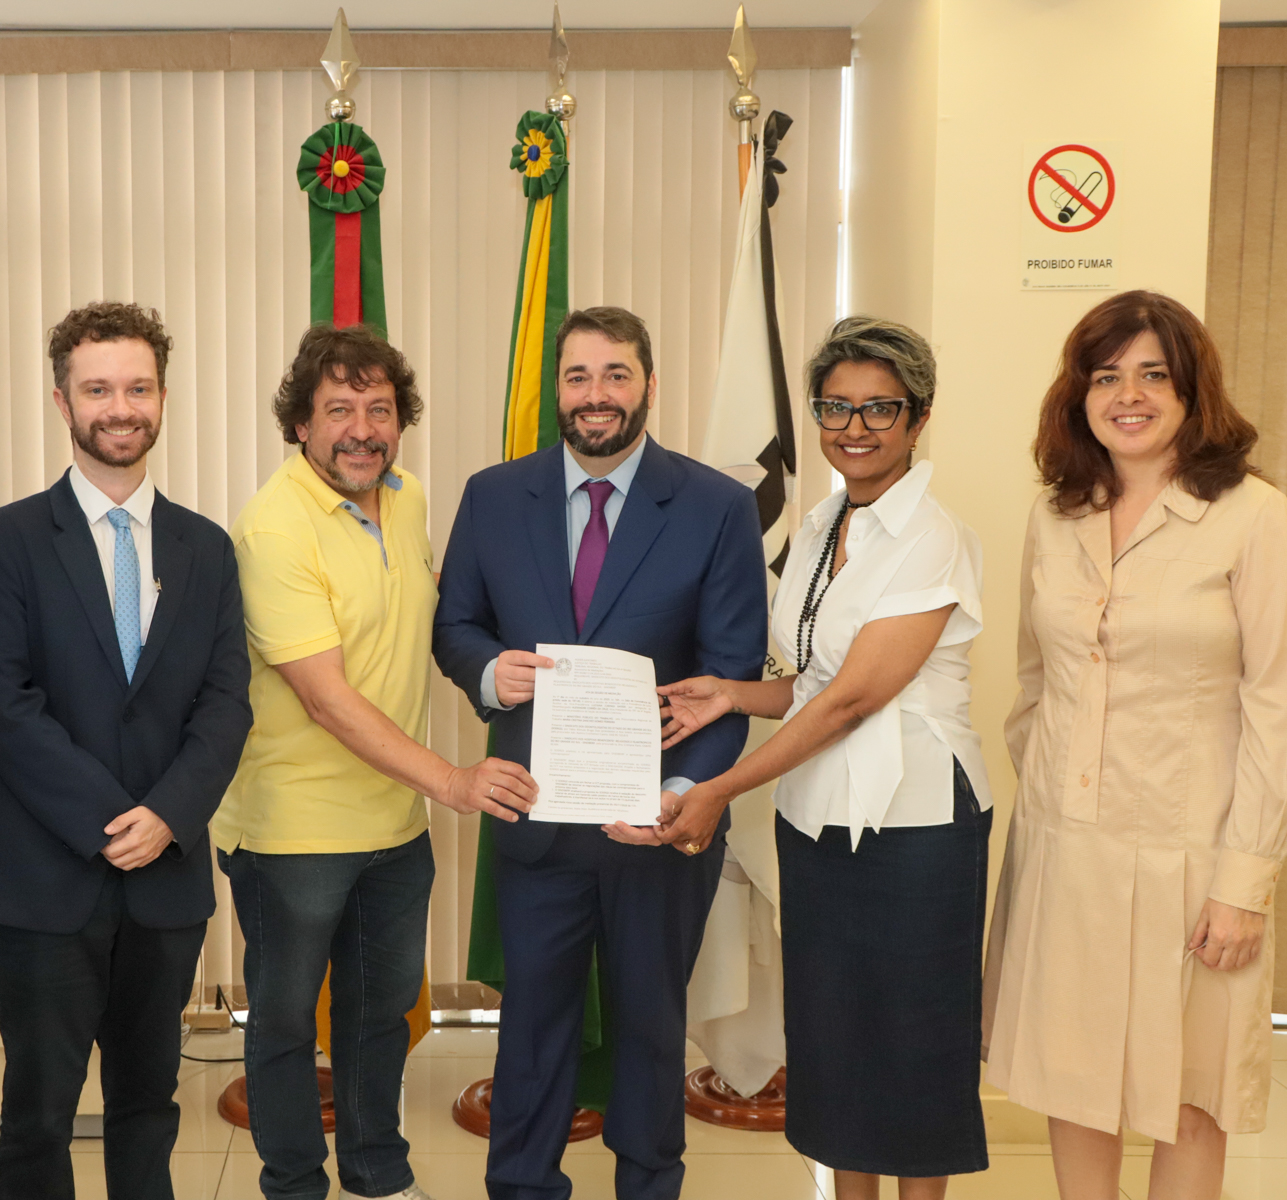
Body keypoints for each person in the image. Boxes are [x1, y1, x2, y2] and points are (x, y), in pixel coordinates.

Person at [983, 290, 1287, 1200]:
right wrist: (1052, 796)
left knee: (1190, 1095)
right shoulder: (1057, 515)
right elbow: (1035, 685)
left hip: (1196, 857)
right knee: (1072, 1082)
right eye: (1105, 376)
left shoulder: (1256, 517)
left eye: (1152, 375)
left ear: (1192, 391)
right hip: (1067, 851)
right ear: (1079, 394)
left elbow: (1280, 710)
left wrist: (1245, 882)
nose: (1127, 395)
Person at [652, 316, 992, 1199]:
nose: (854, 427)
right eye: (835, 407)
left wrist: (719, 787)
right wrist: (731, 695)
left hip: (917, 824)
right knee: (835, 1040)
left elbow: (854, 699)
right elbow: (812, 681)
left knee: (913, 1046)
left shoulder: (933, 536)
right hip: (817, 818)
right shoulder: (818, 524)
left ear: (918, 418)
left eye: (880, 408)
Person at [432, 305, 768, 1200]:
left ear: (649, 384)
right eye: (578, 376)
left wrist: (687, 789)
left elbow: (732, 676)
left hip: (656, 825)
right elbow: (455, 625)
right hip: (535, 817)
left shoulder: (718, 507)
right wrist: (488, 671)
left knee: (650, 1033)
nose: (597, 394)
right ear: (557, 389)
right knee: (531, 1035)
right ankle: (522, 1187)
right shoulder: (493, 497)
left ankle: (648, 1186)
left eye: (616, 374)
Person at [215, 323, 536, 1200]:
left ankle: (378, 1175)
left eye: (380, 409)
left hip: (395, 823)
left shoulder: (410, 497)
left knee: (381, 1015)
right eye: (339, 410)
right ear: (300, 424)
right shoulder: (273, 529)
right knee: (286, 1024)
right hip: (293, 830)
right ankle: (293, 1185)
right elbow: (326, 699)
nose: (362, 430)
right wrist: (453, 781)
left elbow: (423, 622)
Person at [0, 302, 252, 1200]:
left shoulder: (207, 548)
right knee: (38, 1113)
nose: (120, 408)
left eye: (138, 388)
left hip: (165, 877)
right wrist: (114, 819)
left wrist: (167, 816)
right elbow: (5, 704)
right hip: (45, 875)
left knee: (149, 1104)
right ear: (62, 401)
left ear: (161, 397)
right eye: (98, 390)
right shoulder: (9, 539)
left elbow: (226, 704)